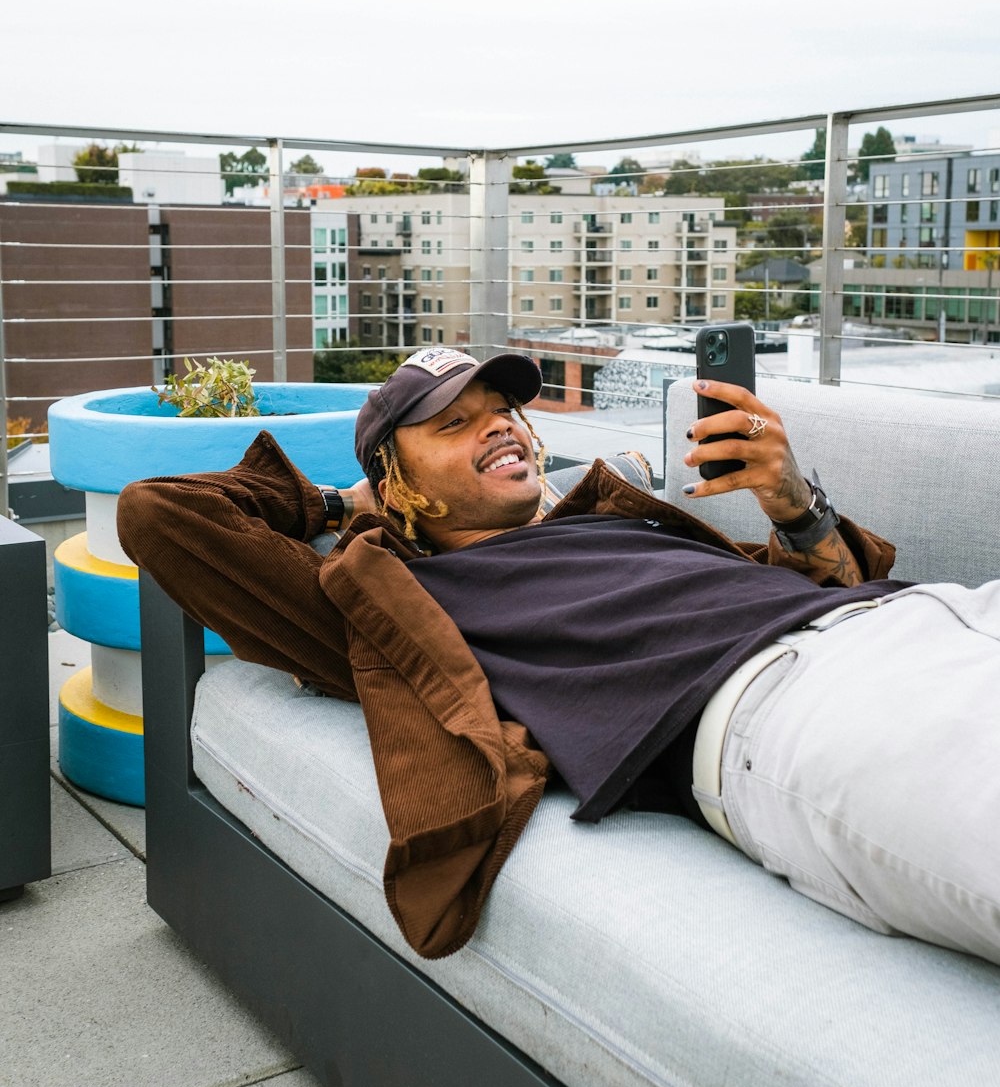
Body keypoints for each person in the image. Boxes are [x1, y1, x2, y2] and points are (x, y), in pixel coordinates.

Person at [117, 348, 1000, 966]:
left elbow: (823, 580)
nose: (498, 427)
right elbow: (160, 515)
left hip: (931, 616)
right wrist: (339, 501)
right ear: (397, 482)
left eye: (502, 411)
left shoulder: (608, 516)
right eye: (453, 425)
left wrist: (792, 501)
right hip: (796, 715)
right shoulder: (401, 598)